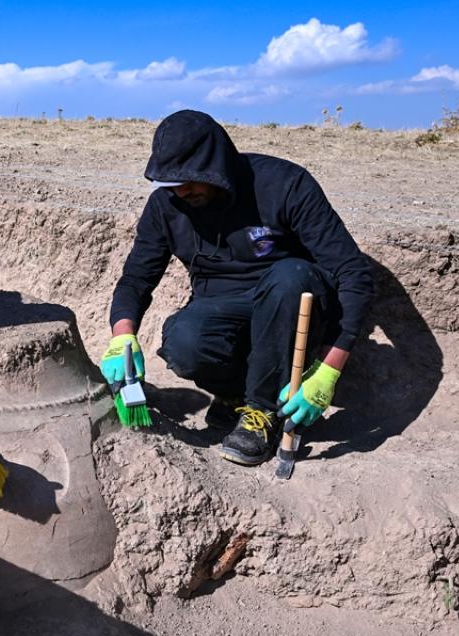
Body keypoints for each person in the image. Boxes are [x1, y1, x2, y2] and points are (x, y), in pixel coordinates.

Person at [104, 109, 373, 465]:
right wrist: (122, 334)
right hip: (223, 307)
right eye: (171, 181)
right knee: (184, 341)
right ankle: (236, 396)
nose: (181, 189)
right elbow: (136, 278)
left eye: (190, 179)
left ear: (216, 165)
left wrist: (329, 370)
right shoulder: (167, 206)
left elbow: (354, 274)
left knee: (289, 276)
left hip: (291, 311)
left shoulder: (284, 185)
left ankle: (262, 414)